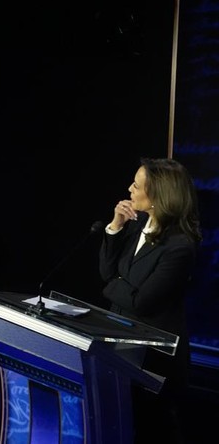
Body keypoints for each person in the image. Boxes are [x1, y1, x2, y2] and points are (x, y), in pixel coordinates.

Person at [100, 157, 202, 443]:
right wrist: (115, 227)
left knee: (151, 431)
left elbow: (143, 302)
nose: (130, 189)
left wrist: (114, 284)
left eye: (137, 184)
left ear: (157, 195)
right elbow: (107, 272)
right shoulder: (136, 225)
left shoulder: (180, 246)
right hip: (119, 346)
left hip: (153, 359)